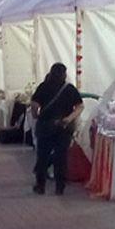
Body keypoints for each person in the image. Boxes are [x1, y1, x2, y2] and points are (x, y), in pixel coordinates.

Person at [29, 63, 82, 195]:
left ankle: (40, 186)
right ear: (64, 74)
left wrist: (36, 115)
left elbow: (34, 104)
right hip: (63, 127)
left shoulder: (43, 86)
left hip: (45, 125)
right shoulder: (69, 88)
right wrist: (69, 118)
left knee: (42, 156)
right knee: (61, 157)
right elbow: (80, 106)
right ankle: (60, 187)